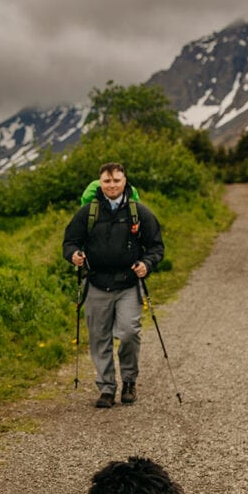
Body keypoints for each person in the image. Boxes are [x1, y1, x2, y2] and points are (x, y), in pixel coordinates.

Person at [62, 162, 164, 408]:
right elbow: (70, 242)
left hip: (128, 283)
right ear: (100, 183)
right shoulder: (87, 213)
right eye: (107, 181)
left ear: (125, 181)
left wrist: (147, 264)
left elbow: (156, 247)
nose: (112, 185)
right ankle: (106, 388)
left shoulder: (139, 212)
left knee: (129, 332)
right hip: (96, 283)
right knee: (99, 338)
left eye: (117, 180)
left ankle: (129, 381)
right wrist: (74, 254)